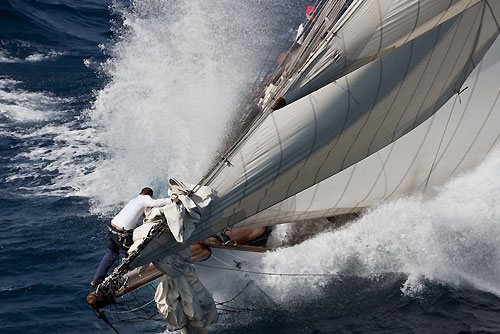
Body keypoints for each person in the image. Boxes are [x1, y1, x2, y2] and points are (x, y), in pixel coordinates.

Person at [91, 187, 176, 287]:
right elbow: (155, 203)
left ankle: (96, 280)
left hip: (111, 229)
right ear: (150, 195)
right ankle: (115, 281)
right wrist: (171, 200)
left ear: (140, 193)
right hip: (121, 234)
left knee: (110, 254)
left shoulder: (133, 200)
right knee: (132, 257)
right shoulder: (145, 199)